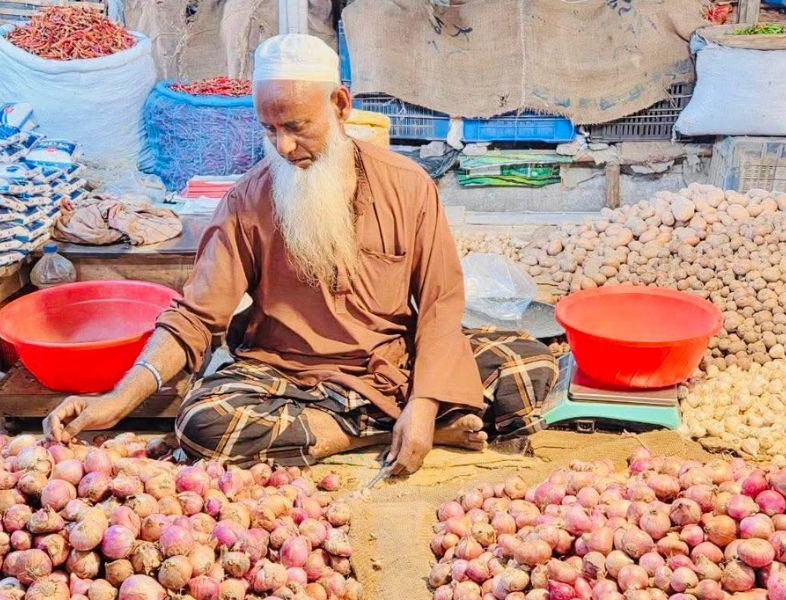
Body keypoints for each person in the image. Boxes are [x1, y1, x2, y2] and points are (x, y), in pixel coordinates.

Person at [44, 34, 558, 475]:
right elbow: (194, 318)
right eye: (269, 129)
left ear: (339, 105)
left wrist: (423, 401)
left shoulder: (409, 185)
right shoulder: (248, 199)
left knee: (530, 366)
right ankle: (372, 433)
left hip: (393, 365)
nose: (284, 147)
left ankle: (398, 421)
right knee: (203, 425)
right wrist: (117, 399)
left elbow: (442, 304)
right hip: (288, 375)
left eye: (297, 126)